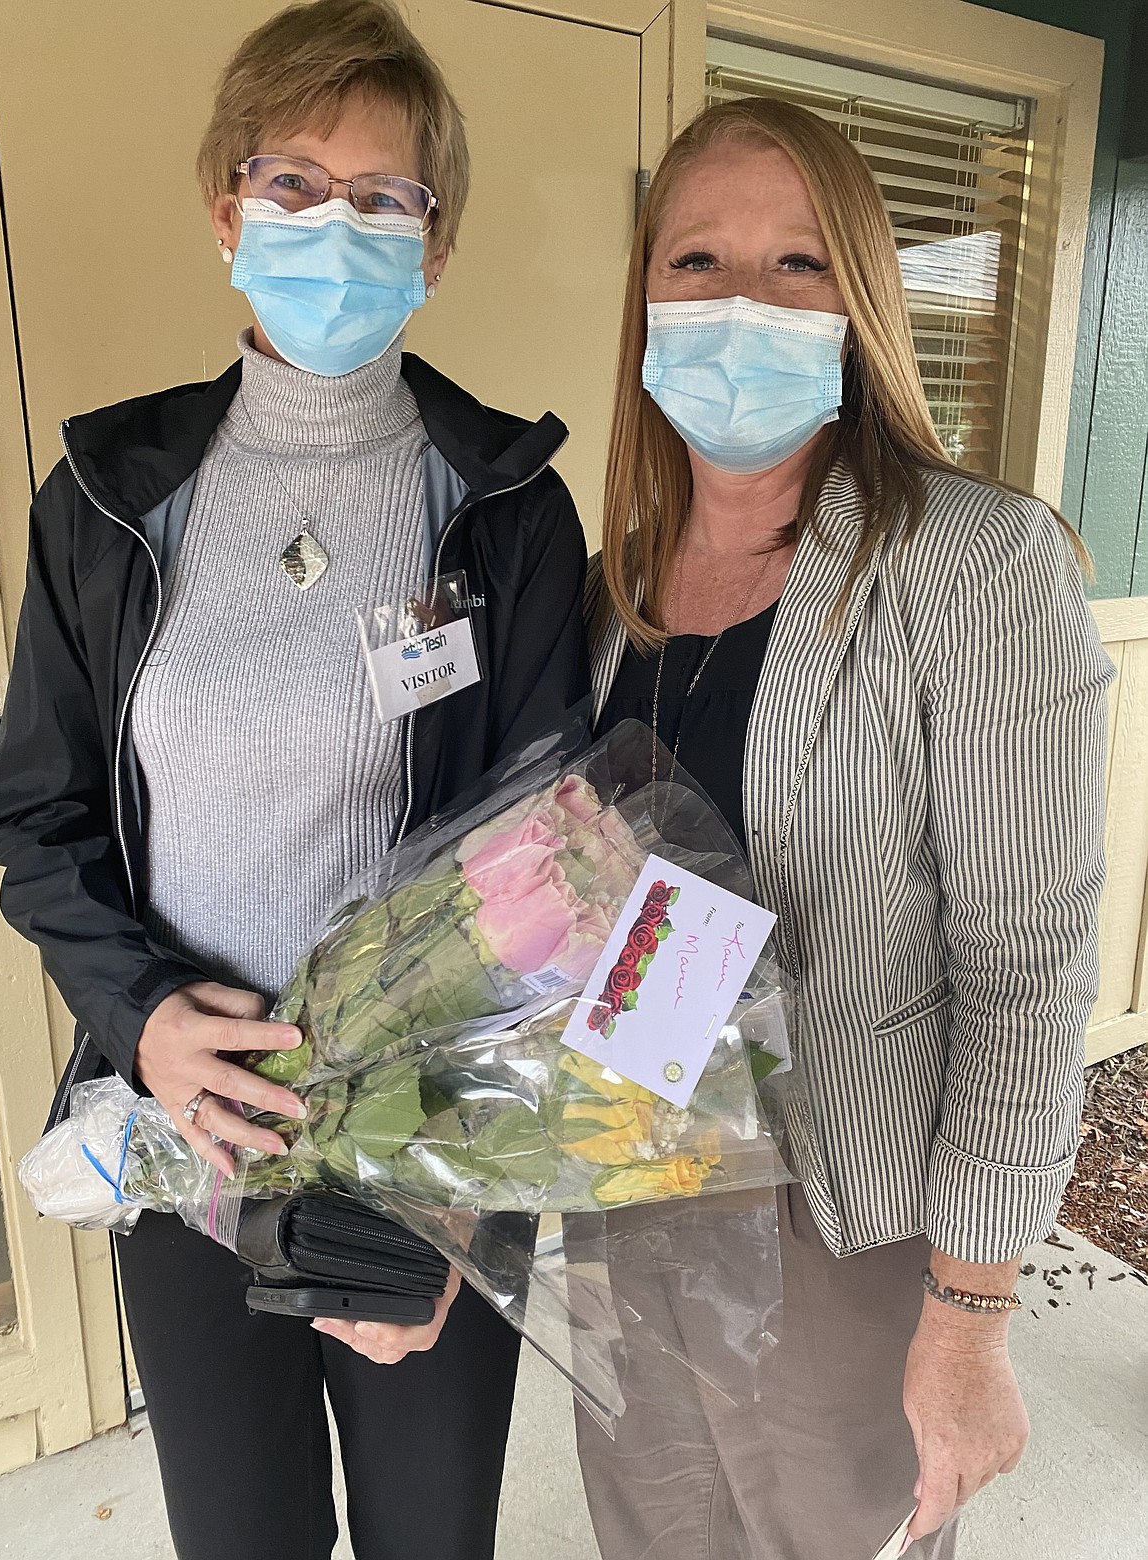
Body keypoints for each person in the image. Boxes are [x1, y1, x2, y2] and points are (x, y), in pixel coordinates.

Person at [0, 3, 588, 1557]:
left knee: (427, 1532)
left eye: (387, 198)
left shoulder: (503, 506)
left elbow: (546, 855)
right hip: (185, 1135)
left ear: (435, 244)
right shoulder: (112, 503)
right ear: (224, 209)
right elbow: (40, 817)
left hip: (421, 1140)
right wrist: (144, 1018)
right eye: (296, 182)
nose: (337, 226)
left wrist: (467, 1176)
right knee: (238, 1536)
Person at [581, 95, 1113, 1560]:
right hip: (623, 1179)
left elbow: (1021, 970)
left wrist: (970, 1315)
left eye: (795, 265)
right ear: (643, 297)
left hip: (841, 1218)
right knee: (654, 1533)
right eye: (697, 262)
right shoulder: (603, 590)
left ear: (861, 299)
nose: (738, 302)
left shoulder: (974, 567)